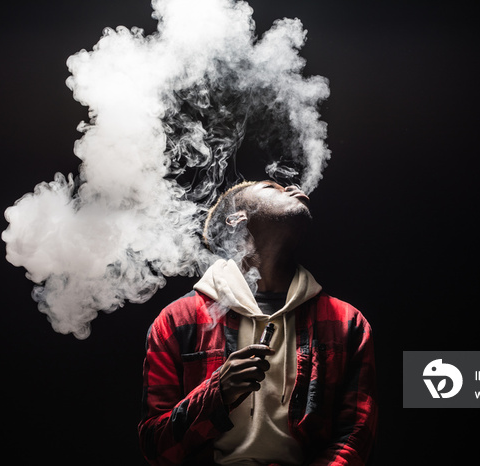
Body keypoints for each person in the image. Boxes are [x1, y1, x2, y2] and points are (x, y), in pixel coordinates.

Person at [138, 180, 378, 465]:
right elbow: (156, 445)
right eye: (271, 187)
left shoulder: (347, 322)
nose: (291, 187)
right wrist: (219, 392)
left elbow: (355, 434)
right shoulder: (178, 320)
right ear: (237, 219)